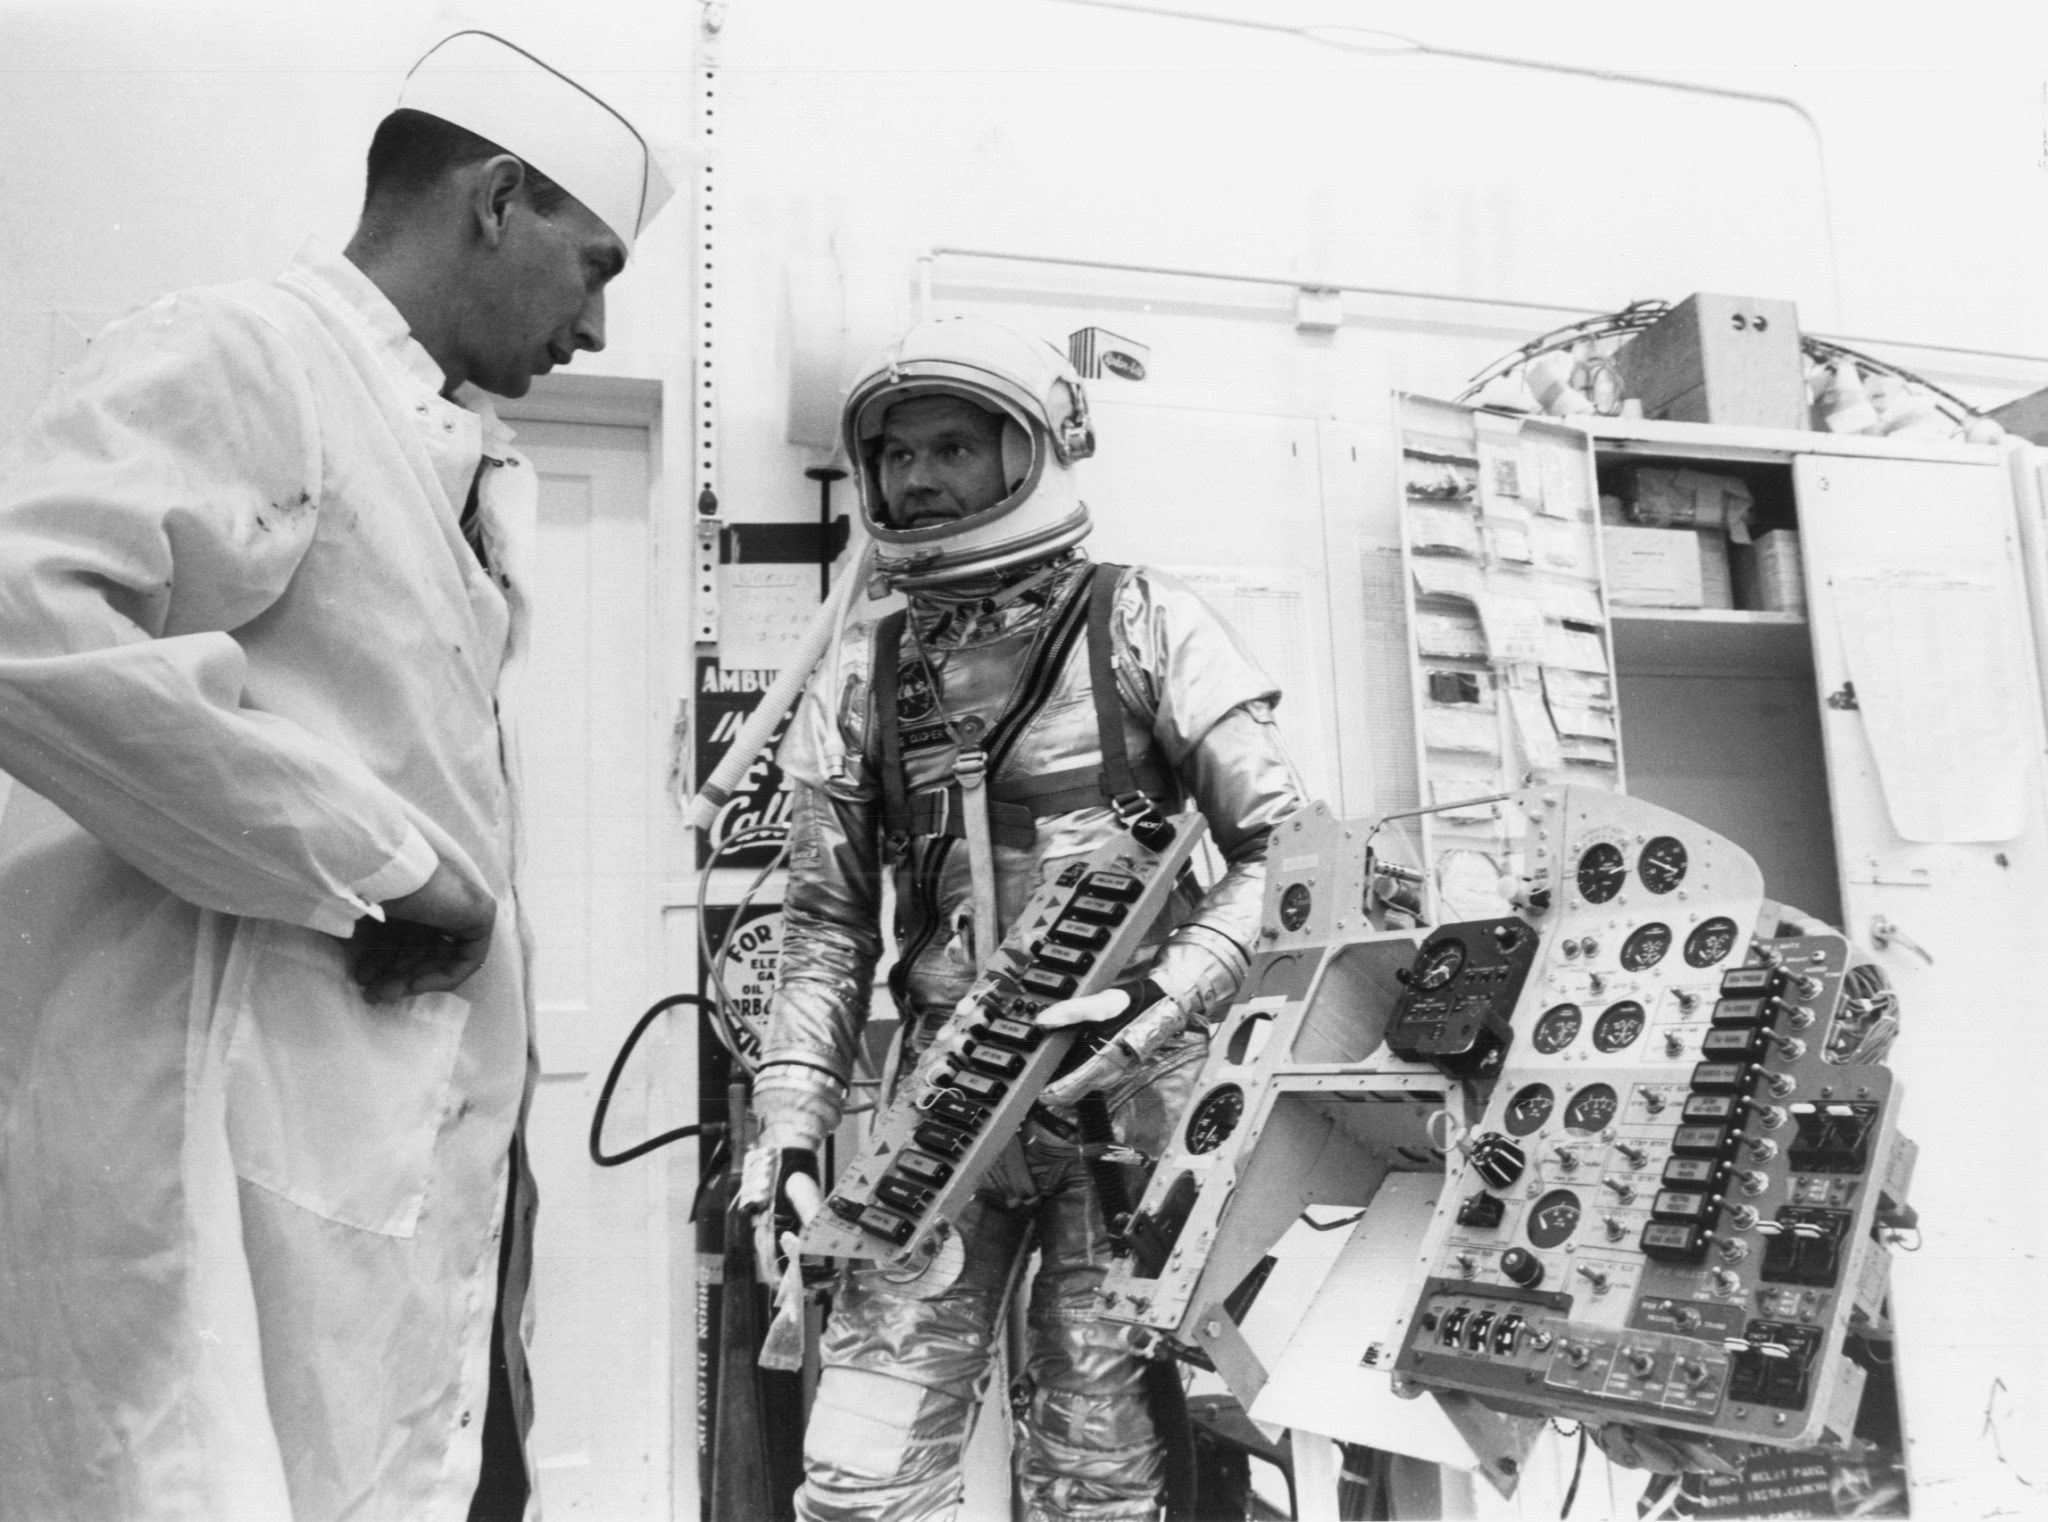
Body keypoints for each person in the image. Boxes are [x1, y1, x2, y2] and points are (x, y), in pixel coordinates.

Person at [0, 31, 677, 1521]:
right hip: (236, 1093)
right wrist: (376, 859)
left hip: (391, 1106)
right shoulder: (250, 353)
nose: (600, 320)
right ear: (496, 198)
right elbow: (25, 618)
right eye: (596, 262)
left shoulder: (445, 440)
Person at [745, 314, 1309, 1522]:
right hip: (944, 1117)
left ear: (1030, 451)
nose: (916, 478)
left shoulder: (1145, 621)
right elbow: (824, 925)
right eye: (896, 457)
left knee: (1096, 1479)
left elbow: (1287, 852)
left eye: (950, 446)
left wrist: (1168, 991)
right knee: (856, 1476)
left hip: (1129, 1109)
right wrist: (788, 1125)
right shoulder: (862, 672)